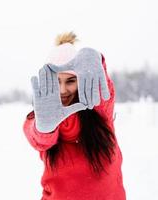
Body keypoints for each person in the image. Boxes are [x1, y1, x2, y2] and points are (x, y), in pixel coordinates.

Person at [23, 32, 126, 200]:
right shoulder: (44, 115)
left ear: (83, 79)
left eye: (70, 81)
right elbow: (37, 137)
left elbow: (103, 91)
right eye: (57, 82)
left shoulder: (99, 109)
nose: (63, 90)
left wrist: (96, 60)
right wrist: (43, 128)